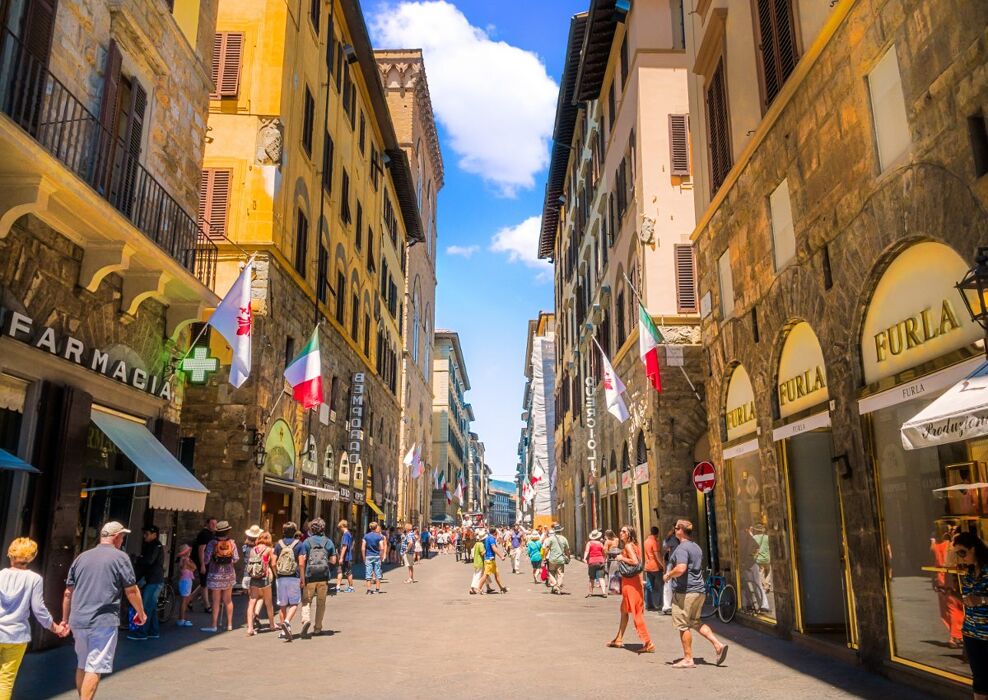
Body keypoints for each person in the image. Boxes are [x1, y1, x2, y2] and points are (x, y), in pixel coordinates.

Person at [62, 522, 147, 700]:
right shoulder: (120, 557)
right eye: (122, 537)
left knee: (83, 664)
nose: (122, 540)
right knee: (95, 667)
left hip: (78, 619)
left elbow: (68, 592)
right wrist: (141, 612)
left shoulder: (82, 557)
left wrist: (65, 619)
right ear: (116, 537)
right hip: (103, 620)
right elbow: (131, 590)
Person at [0, 538, 67, 700]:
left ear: (10, 554)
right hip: (16, 635)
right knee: (6, 679)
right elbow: (39, 609)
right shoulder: (34, 579)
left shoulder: (0, 575)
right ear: (32, 557)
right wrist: (54, 627)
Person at [663, 519, 728, 668]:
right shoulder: (696, 547)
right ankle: (718, 645)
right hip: (699, 590)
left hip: (685, 592)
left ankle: (688, 658)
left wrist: (668, 575)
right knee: (695, 622)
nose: (674, 530)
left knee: (683, 625)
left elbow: (681, 568)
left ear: (680, 530)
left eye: (676, 528)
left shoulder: (681, 549)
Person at [606, 526, 653, 654]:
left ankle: (648, 642)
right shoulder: (634, 545)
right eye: (620, 531)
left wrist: (621, 558)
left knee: (636, 613)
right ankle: (619, 639)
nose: (621, 533)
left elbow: (635, 561)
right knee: (624, 610)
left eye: (624, 531)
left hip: (630, 584)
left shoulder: (628, 546)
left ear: (629, 534)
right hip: (633, 581)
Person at [953, 530, 988, 699]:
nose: (961, 557)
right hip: (971, 632)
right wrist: (951, 593)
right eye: (958, 554)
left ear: (973, 549)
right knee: (979, 678)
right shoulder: (968, 573)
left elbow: (978, 599)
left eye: (962, 552)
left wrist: (981, 600)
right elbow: (968, 599)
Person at [299, 519, 336, 639]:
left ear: (311, 529)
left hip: (310, 575)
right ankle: (318, 628)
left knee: (306, 600)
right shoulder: (328, 542)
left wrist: (302, 577)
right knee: (321, 602)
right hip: (323, 576)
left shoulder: (307, 542)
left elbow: (302, 560)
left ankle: (305, 620)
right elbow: (333, 560)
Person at [128, 525, 164, 641]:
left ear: (154, 534)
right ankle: (153, 631)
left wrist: (138, 559)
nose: (144, 536)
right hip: (154, 579)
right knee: (151, 607)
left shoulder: (155, 546)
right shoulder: (152, 545)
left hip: (153, 580)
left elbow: (149, 561)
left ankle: (141, 632)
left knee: (146, 607)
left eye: (147, 534)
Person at [201, 520, 238, 633]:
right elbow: (236, 558)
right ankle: (230, 625)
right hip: (229, 575)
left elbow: (206, 559)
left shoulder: (212, 543)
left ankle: (213, 625)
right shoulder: (232, 543)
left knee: (216, 601)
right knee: (228, 600)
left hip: (215, 575)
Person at [932, 525, 963, 649]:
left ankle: (955, 636)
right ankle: (955, 636)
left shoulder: (938, 546)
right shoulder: (950, 546)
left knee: (950, 609)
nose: (952, 531)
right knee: (954, 608)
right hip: (950, 580)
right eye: (951, 529)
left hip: (944, 579)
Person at [273, 522, 305, 641]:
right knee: (294, 603)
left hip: (281, 577)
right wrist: (302, 578)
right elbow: (301, 563)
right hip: (294, 576)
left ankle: (283, 632)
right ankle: (286, 622)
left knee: (282, 605)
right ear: (295, 531)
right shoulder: (299, 544)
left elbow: (272, 562)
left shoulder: (278, 545)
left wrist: (277, 574)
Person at [244, 530, 275, 637]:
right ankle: (272, 625)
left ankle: (250, 628)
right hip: (264, 577)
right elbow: (273, 563)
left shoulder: (253, 549)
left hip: (253, 578)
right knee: (268, 602)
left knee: (252, 602)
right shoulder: (269, 549)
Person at [192, 517, 216, 613]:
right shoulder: (205, 534)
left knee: (205, 581)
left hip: (207, 560)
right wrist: (202, 564)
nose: (214, 526)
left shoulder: (210, 534)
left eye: (215, 524)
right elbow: (201, 550)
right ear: (207, 524)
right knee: (204, 583)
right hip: (202, 560)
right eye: (212, 524)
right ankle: (207, 605)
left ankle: (190, 599)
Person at [476, 527, 508, 594]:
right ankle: (479, 588)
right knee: (486, 575)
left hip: (491, 559)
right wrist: (501, 556)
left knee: (497, 574)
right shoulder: (491, 538)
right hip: (489, 559)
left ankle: (501, 588)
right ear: (495, 532)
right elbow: (494, 548)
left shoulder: (488, 538)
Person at [543, 523, 570, 595]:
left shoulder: (551, 539)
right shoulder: (564, 539)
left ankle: (555, 584)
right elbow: (567, 550)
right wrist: (568, 557)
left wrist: (544, 557)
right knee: (560, 574)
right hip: (561, 560)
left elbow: (547, 549)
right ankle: (558, 587)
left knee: (551, 573)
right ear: (560, 531)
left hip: (552, 559)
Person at [175, 544, 196, 627]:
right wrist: (191, 564)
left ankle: (182, 618)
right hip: (186, 581)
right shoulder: (186, 560)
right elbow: (194, 567)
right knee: (184, 601)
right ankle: (182, 619)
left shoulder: (182, 559)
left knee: (184, 601)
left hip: (185, 581)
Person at [362, 522, 387, 594]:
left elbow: (363, 548)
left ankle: (369, 590)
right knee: (377, 572)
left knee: (368, 573)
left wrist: (364, 557)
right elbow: (382, 548)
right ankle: (377, 589)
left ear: (370, 527)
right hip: (376, 556)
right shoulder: (379, 537)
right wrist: (381, 556)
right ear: (376, 528)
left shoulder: (366, 536)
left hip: (368, 556)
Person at [584, 530, 608, 598]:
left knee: (591, 578)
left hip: (592, 562)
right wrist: (604, 559)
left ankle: (590, 592)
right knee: (601, 578)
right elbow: (604, 552)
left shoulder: (589, 543)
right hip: (600, 561)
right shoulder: (600, 543)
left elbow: (586, 551)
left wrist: (584, 558)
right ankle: (604, 592)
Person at [643, 526, 662, 612]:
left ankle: (648, 604)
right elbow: (657, 555)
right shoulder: (654, 542)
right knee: (659, 586)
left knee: (649, 586)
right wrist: (663, 565)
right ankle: (659, 603)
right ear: (657, 533)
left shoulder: (646, 541)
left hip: (648, 566)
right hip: (655, 566)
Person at [661, 527, 679, 614]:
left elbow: (665, 546)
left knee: (668, 584)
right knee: (669, 584)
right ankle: (668, 605)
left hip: (674, 563)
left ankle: (668, 605)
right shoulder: (674, 539)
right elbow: (665, 546)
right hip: (674, 563)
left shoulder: (672, 538)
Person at [335, 520, 354, 593]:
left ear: (343, 526)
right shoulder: (348, 534)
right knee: (340, 571)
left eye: (340, 527)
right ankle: (338, 587)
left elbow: (344, 546)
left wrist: (341, 557)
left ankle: (351, 587)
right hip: (346, 557)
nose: (340, 529)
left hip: (346, 557)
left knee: (348, 572)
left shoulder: (346, 534)